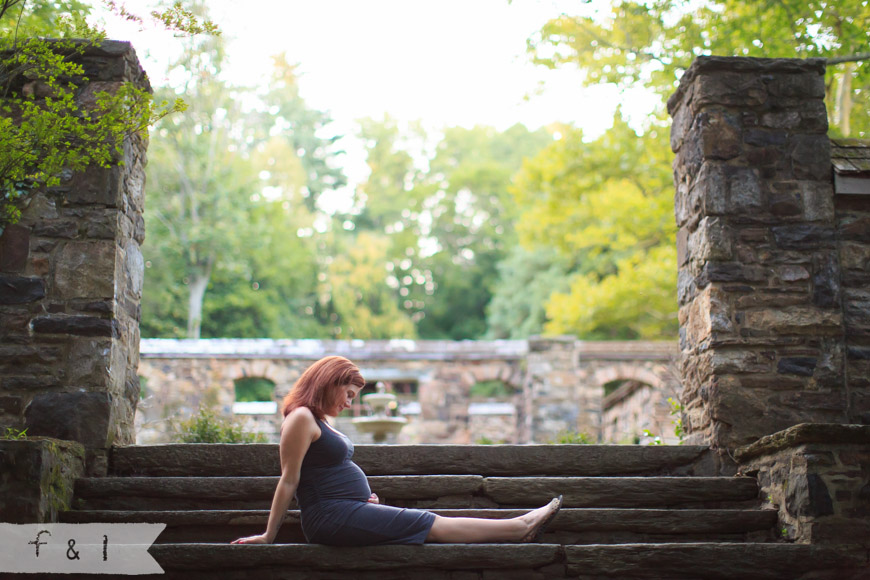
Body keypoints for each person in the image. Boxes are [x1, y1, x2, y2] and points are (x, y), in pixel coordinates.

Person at [231, 356, 562, 546]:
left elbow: (325, 472)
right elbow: (290, 481)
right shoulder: (301, 418)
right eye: (348, 394)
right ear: (329, 382)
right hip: (329, 518)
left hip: (344, 509)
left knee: (426, 522)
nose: (349, 403)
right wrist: (268, 535)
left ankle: (520, 525)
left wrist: (358, 501)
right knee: (429, 522)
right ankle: (521, 527)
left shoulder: (318, 419)